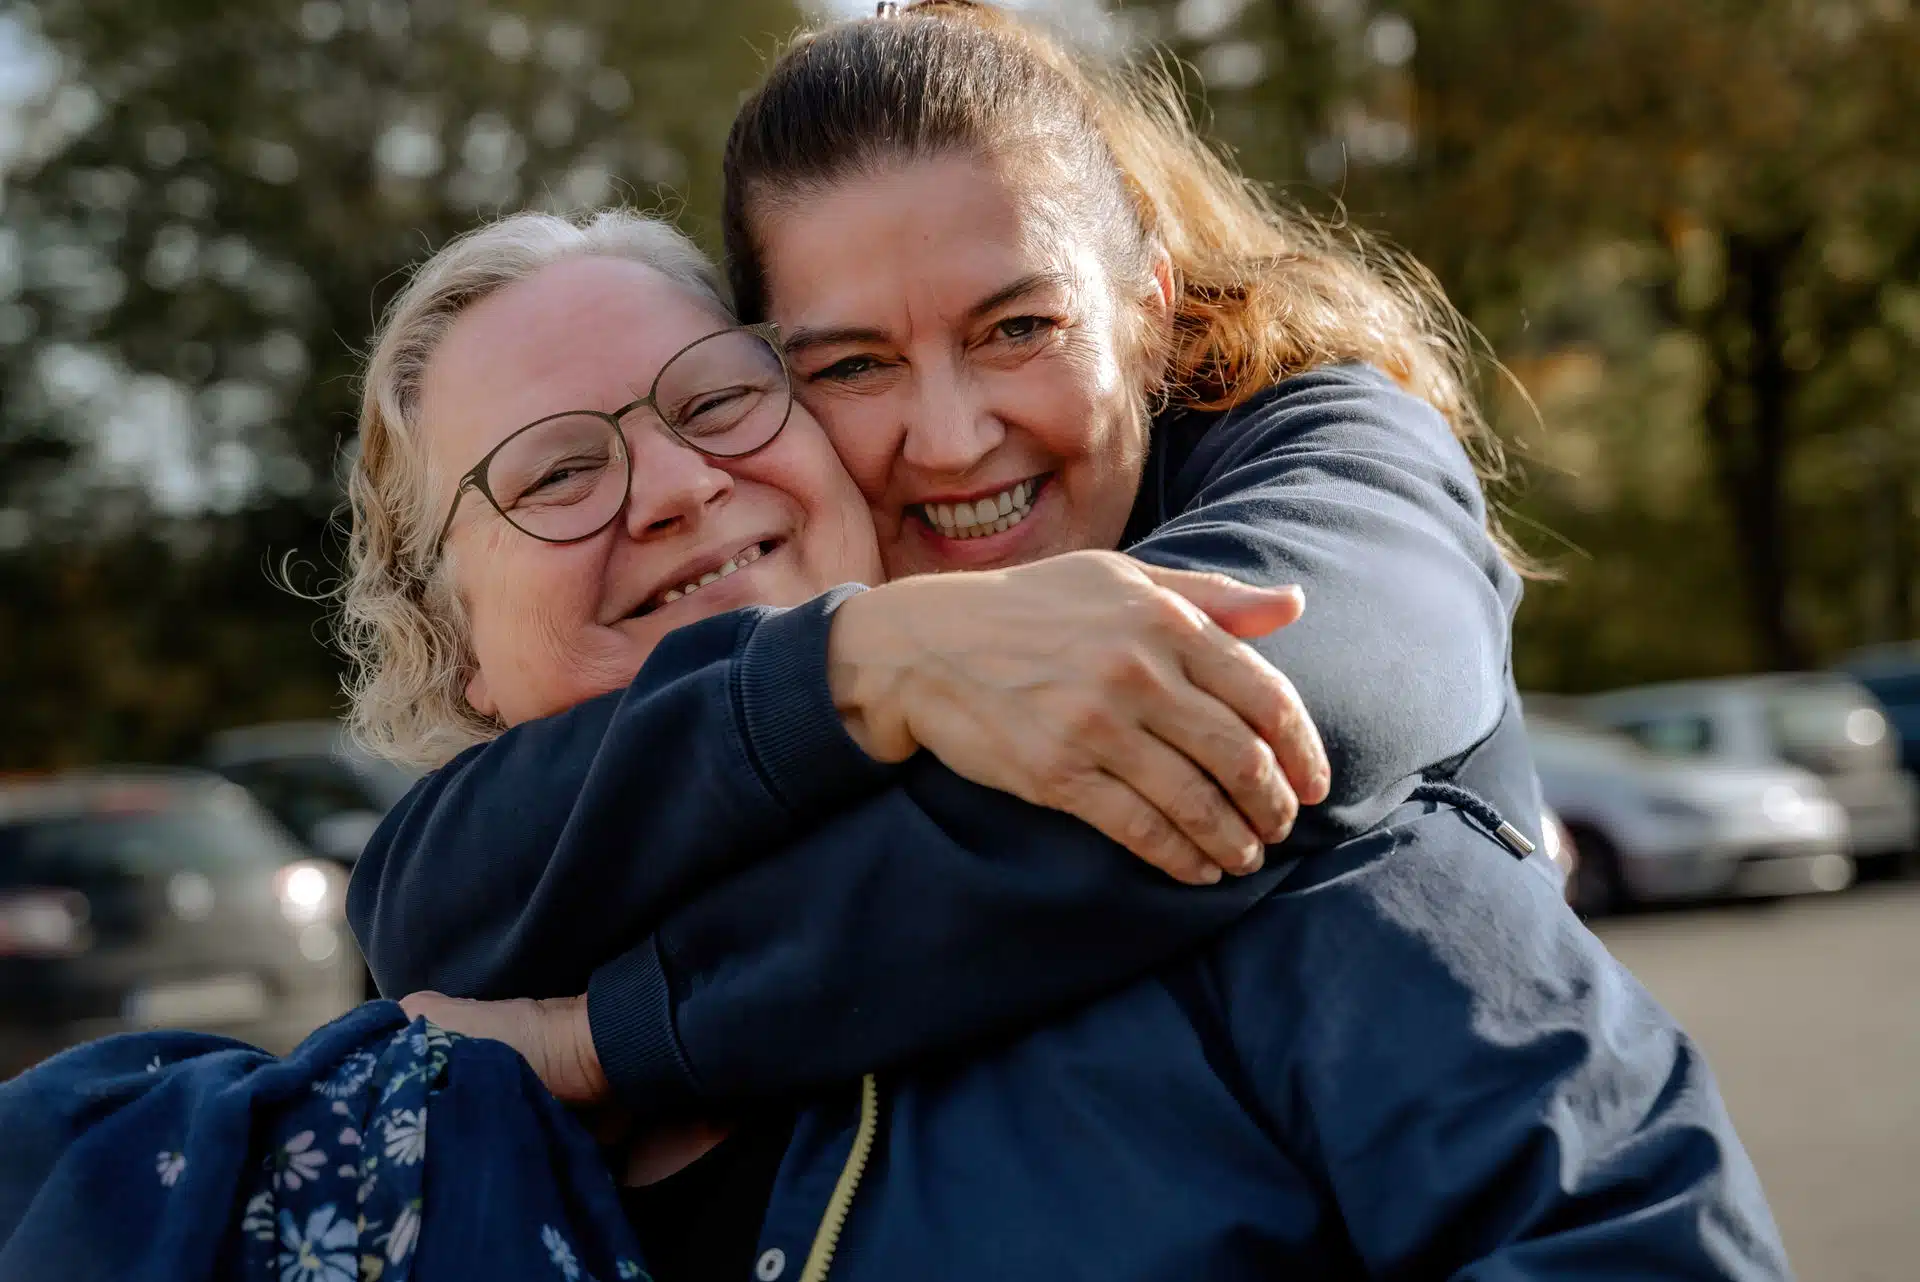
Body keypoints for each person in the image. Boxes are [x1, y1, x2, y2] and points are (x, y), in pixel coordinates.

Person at [338, 121, 1783, 1282]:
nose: (675, 484)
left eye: (717, 400)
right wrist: (848, 661)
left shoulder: (1236, 794)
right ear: (446, 632)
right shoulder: (390, 1088)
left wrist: (616, 1040)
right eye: (556, 472)